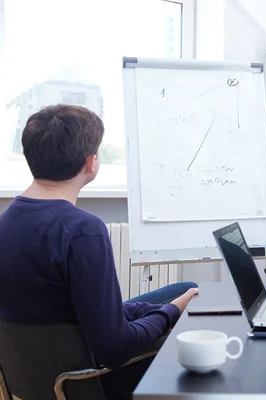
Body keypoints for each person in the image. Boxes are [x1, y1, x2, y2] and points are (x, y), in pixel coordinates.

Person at [0, 104, 198, 399]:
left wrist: (163, 308)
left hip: (32, 378)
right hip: (87, 382)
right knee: (189, 313)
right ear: (91, 163)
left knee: (185, 289)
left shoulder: (5, 221)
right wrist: (171, 312)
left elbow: (69, 311)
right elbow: (115, 350)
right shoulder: (82, 230)